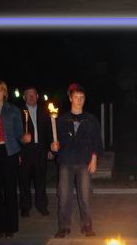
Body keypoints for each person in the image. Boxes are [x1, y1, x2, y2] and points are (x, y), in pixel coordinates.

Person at [51, 83, 103, 238]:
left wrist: (94, 159)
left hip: (84, 162)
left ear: (84, 99)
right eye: (76, 97)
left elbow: (96, 141)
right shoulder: (62, 119)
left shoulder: (90, 119)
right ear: (70, 98)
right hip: (66, 161)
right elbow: (56, 142)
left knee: (85, 196)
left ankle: (87, 225)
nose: (79, 100)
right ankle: (64, 226)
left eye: (82, 97)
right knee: (64, 196)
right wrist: (54, 146)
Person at [0, 80, 24, 238]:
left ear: (5, 93)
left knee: (9, 189)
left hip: (9, 151)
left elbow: (18, 133)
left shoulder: (13, 110)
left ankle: (11, 226)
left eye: (0, 90)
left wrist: (24, 139)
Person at [18, 87, 53, 218]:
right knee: (24, 182)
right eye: (28, 95)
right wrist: (17, 153)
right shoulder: (18, 112)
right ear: (24, 97)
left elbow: (49, 131)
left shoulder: (44, 111)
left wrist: (50, 149)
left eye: (33, 95)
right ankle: (25, 207)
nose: (31, 97)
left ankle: (42, 206)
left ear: (38, 96)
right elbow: (14, 133)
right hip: (25, 151)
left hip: (40, 151)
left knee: (40, 181)